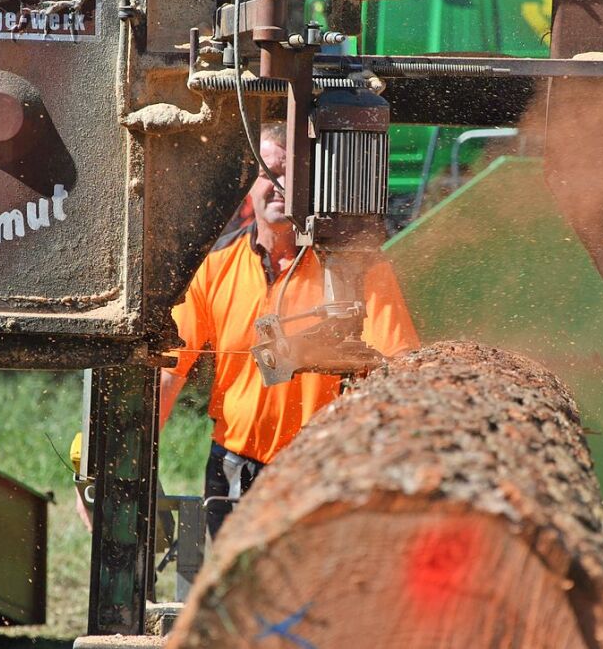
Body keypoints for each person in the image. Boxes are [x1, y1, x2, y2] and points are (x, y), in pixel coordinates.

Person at [161, 123, 420, 537]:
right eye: (268, 172)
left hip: (325, 471)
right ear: (247, 183)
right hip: (235, 466)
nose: (280, 185)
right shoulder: (214, 266)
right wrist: (121, 471)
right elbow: (168, 371)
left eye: (293, 174)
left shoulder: (358, 268)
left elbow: (402, 371)